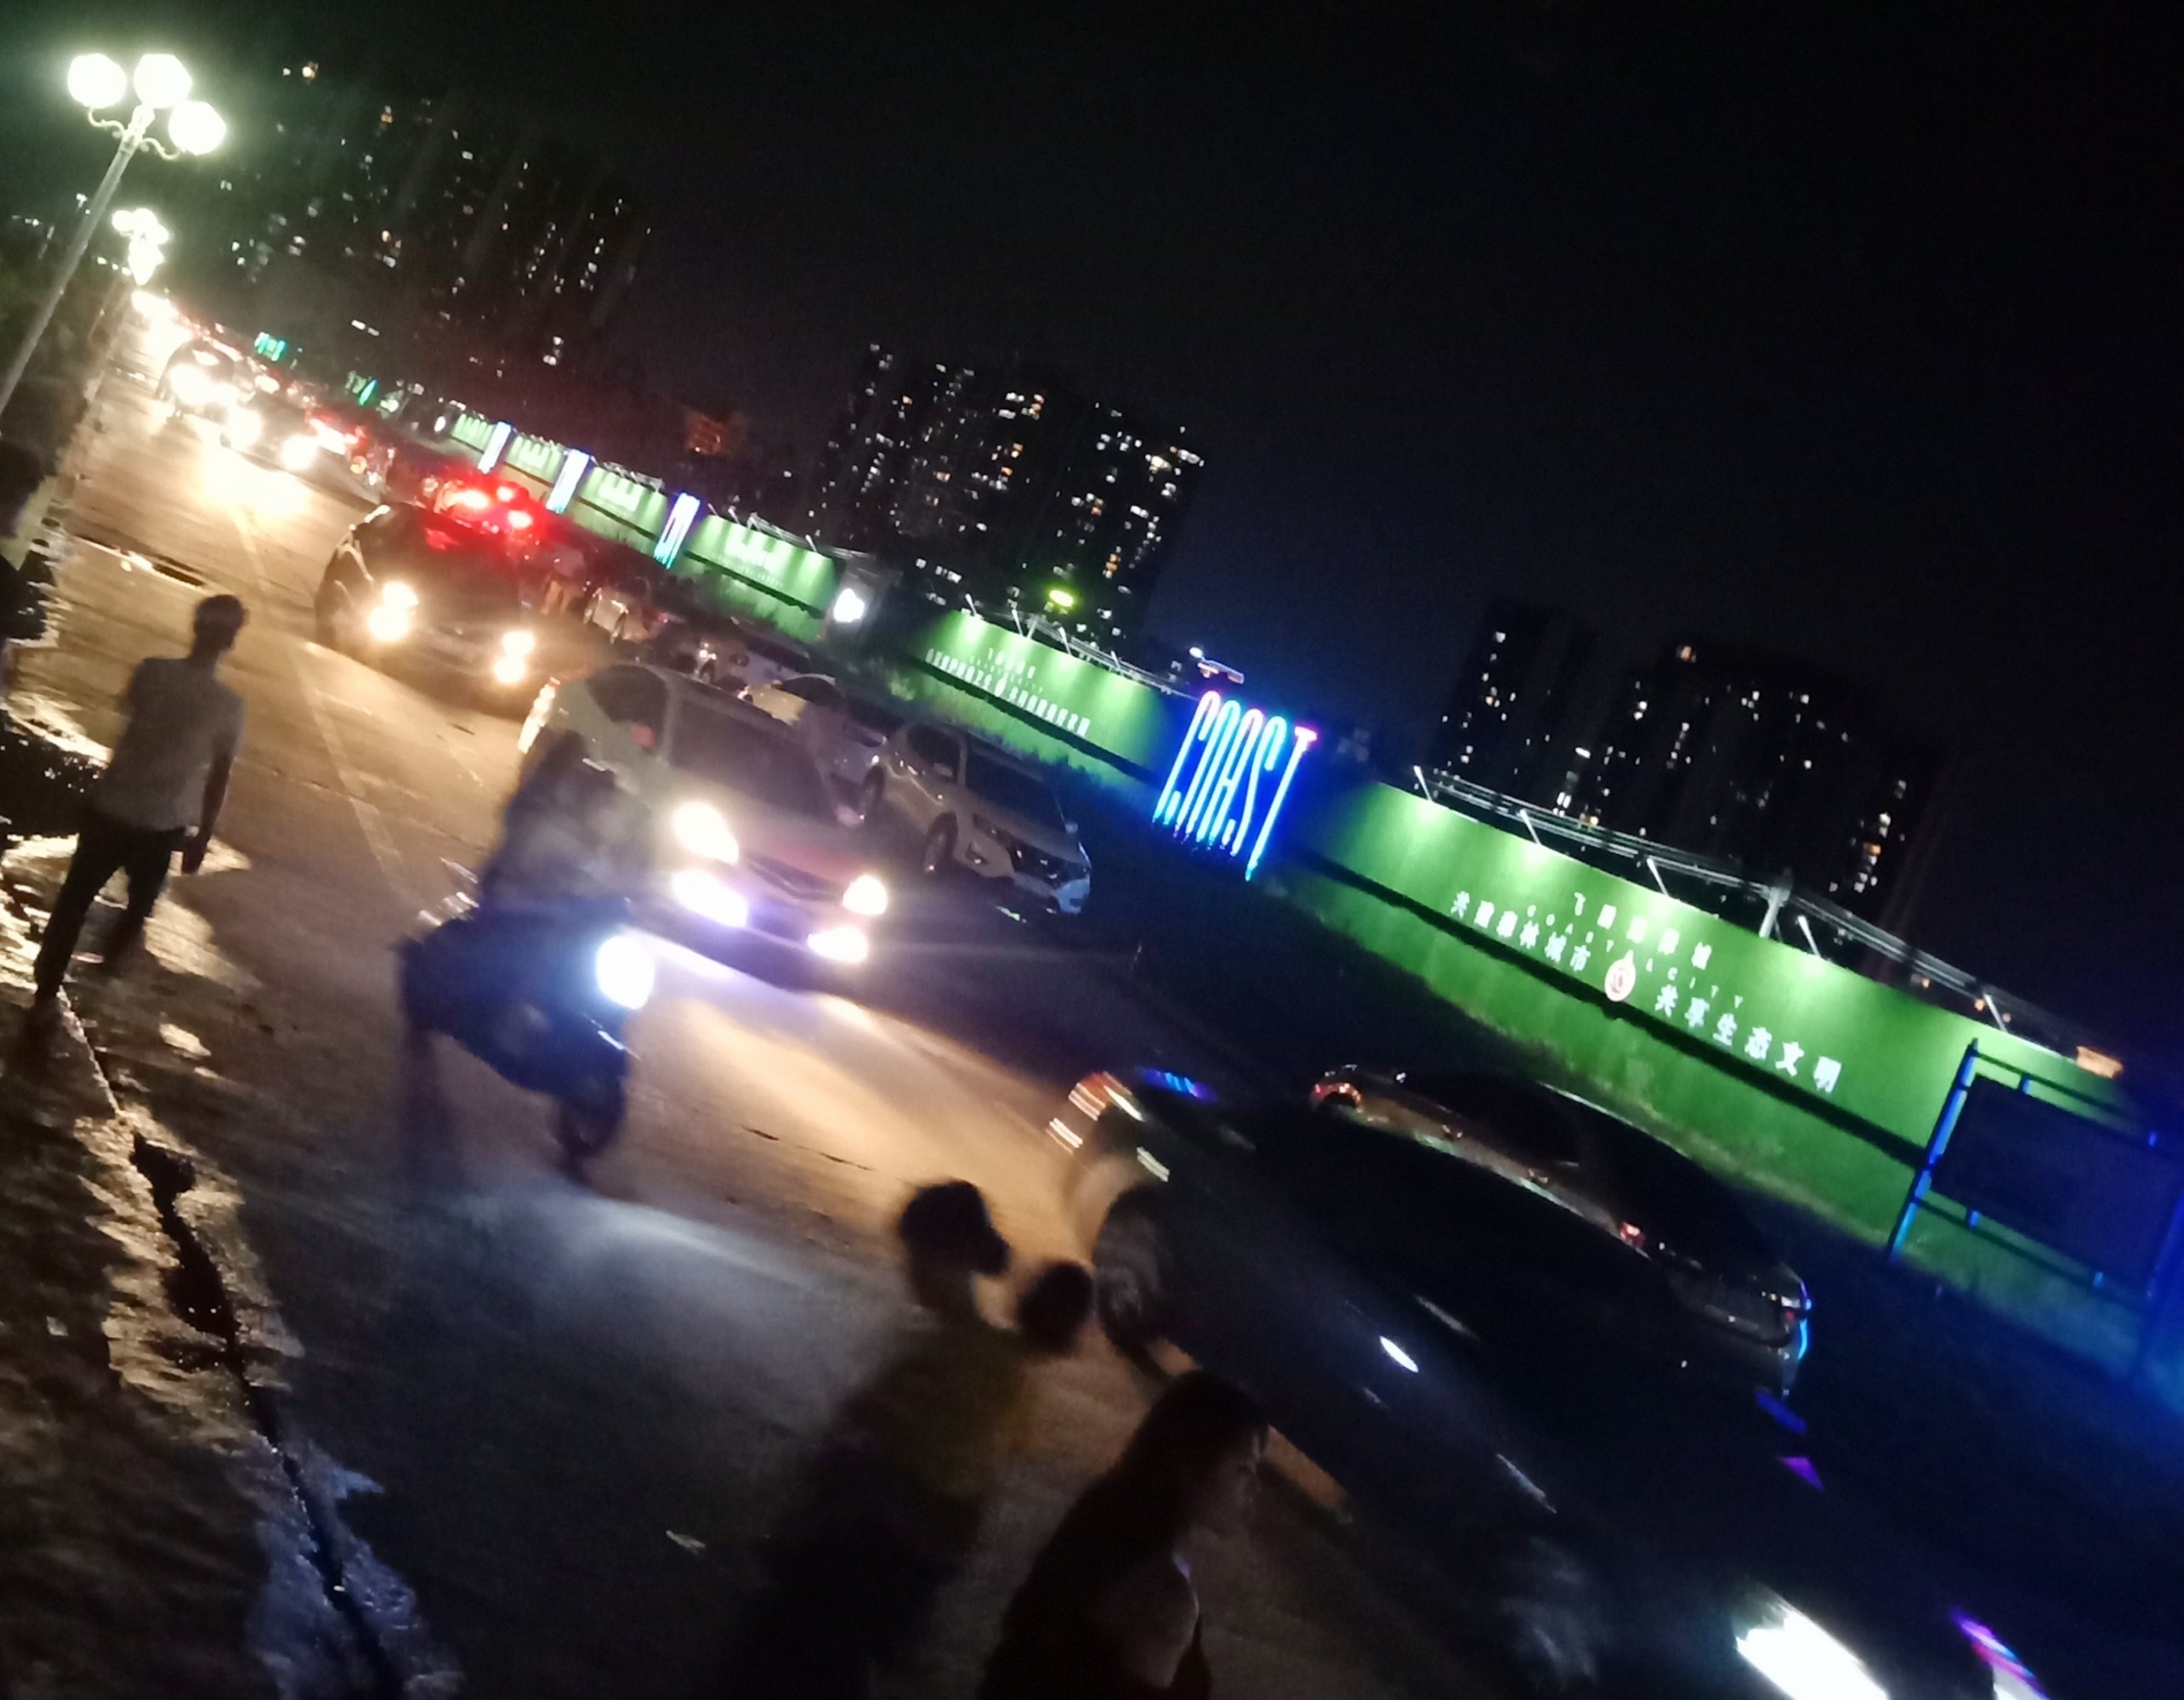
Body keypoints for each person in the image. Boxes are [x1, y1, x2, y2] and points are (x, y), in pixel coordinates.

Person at [729, 1187, 1094, 1697]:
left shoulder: (964, 1358)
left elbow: (927, 1479)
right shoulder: (984, 1353)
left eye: (920, 1258)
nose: (910, 1273)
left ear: (957, 1259)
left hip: (865, 1565)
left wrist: (829, 1496)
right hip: (890, 1570)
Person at [979, 1371, 1268, 1700]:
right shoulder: (1167, 1601)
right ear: (1191, 1466)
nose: (1255, 1489)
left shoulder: (1105, 1510)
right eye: (1242, 1469)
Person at [29, 593, 246, 1024]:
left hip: (111, 806)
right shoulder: (229, 706)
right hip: (161, 823)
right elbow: (219, 777)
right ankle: (108, 961)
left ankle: (46, 989)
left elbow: (129, 726)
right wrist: (203, 835)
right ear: (231, 641)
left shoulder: (151, 672)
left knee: (74, 901)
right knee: (139, 906)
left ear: (196, 628)